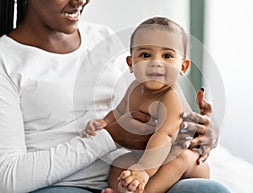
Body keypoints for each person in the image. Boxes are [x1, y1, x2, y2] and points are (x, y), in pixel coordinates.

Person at [0, 0, 230, 193]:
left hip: (134, 172)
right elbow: (7, 178)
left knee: (210, 191)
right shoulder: (5, 59)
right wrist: (108, 135)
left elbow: (151, 113)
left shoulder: (103, 38)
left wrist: (201, 131)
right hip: (65, 184)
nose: (80, 0)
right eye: (146, 55)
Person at [83, 17, 210, 193]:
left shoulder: (170, 97)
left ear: (183, 66)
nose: (155, 62)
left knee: (179, 159)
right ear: (131, 63)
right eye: (145, 55)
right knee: (120, 163)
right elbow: (119, 111)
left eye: (167, 56)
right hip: (149, 155)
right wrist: (103, 123)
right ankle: (121, 189)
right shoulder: (135, 88)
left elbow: (164, 138)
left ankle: (143, 190)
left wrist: (143, 170)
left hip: (186, 162)